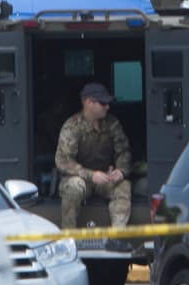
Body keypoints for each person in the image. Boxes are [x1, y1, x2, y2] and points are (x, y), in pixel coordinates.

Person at [54, 82, 133, 247]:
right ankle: (69, 241)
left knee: (123, 186)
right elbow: (63, 160)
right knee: (74, 187)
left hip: (105, 178)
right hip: (80, 178)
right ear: (88, 103)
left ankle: (116, 239)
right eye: (103, 103)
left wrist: (120, 170)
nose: (107, 107)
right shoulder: (72, 126)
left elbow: (123, 151)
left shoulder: (112, 124)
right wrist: (91, 175)